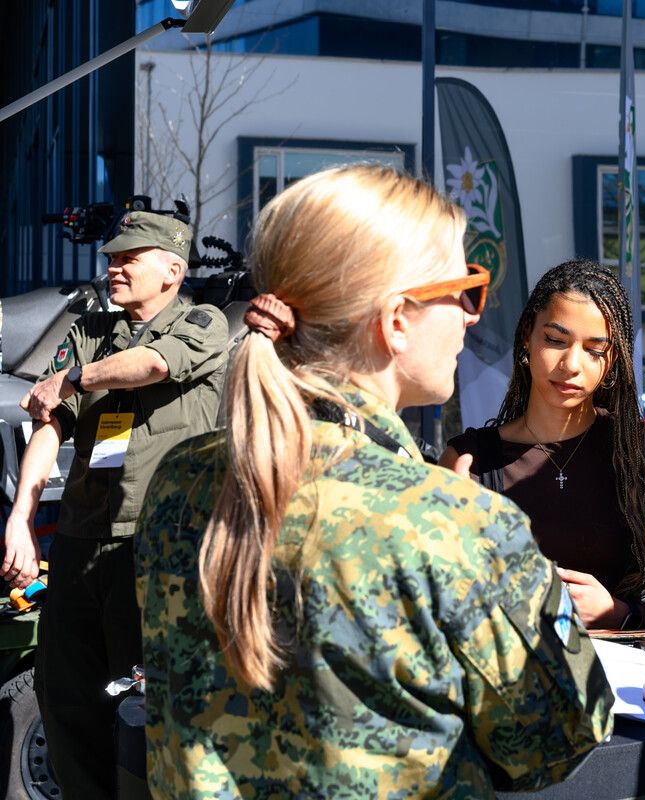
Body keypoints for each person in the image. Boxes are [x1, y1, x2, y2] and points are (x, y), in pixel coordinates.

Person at [135, 166, 613, 797]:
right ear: (395, 321)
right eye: (466, 290)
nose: (472, 317)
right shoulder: (452, 522)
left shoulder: (180, 480)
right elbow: (557, 740)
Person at [0, 211, 228, 797]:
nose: (114, 268)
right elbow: (49, 423)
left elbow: (150, 365)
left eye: (130, 258)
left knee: (146, 703)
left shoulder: (203, 324)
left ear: (172, 270)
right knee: (65, 697)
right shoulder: (92, 330)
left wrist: (72, 379)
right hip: (80, 541)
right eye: (111, 258)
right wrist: (22, 519)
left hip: (155, 547)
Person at [441, 260, 645, 632]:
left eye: (595, 350)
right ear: (527, 337)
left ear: (613, 360)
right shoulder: (469, 462)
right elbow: (439, 601)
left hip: (617, 666)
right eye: (555, 340)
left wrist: (622, 613)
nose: (571, 364)